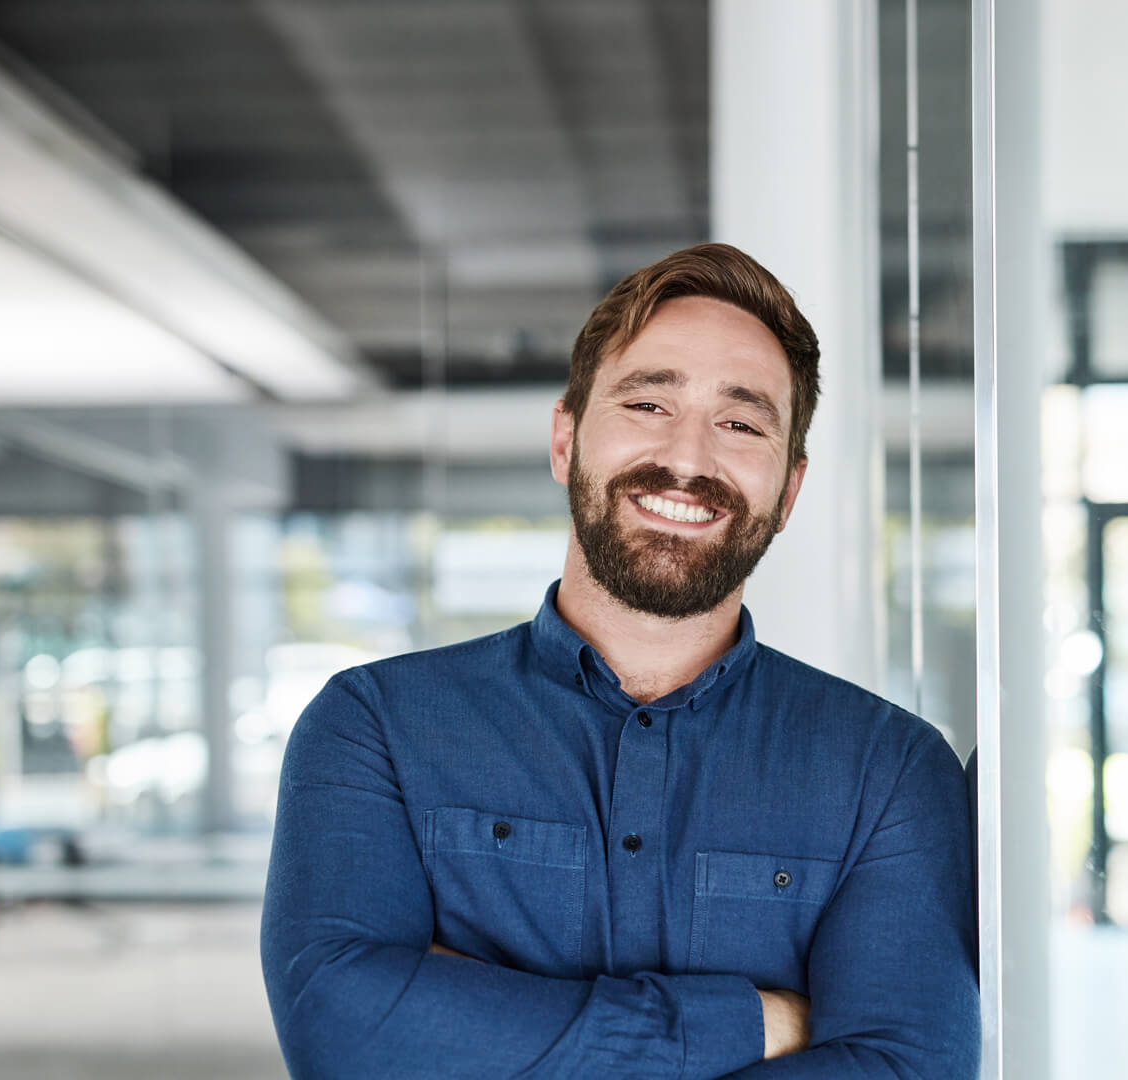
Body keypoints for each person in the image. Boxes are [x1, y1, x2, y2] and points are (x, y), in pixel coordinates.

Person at [260, 243, 979, 1078]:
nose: (688, 459)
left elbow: (905, 1069)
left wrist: (472, 1023)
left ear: (788, 490)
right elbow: (343, 1031)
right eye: (647, 404)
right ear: (565, 441)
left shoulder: (889, 772)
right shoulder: (373, 727)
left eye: (741, 423)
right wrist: (752, 1023)